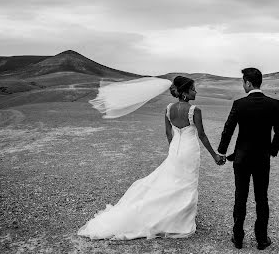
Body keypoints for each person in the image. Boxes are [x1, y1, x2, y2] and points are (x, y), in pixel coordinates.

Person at [78, 76, 226, 240]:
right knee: (187, 183)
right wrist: (215, 156)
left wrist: (173, 150)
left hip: (175, 150)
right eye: (193, 89)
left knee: (173, 181)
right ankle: (181, 222)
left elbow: (168, 133)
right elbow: (202, 135)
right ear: (184, 93)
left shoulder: (169, 109)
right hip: (190, 150)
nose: (195, 92)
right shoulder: (195, 111)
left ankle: (172, 216)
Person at [218, 68, 279, 250]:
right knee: (261, 198)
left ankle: (238, 238)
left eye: (243, 82)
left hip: (241, 159)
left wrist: (222, 152)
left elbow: (228, 129)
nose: (243, 85)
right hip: (262, 159)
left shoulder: (239, 104)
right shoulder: (273, 104)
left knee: (240, 197)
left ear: (248, 83)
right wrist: (271, 151)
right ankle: (262, 240)